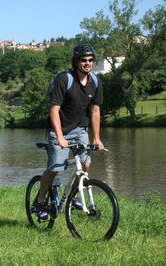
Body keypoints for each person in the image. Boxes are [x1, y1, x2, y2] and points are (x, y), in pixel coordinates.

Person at [35, 44, 105, 220]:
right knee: (55, 168)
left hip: (80, 128)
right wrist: (59, 137)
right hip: (60, 130)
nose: (87, 63)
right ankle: (40, 200)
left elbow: (95, 111)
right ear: (76, 62)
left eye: (90, 60)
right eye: (83, 60)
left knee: (85, 165)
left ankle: (73, 196)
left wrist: (96, 137)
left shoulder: (95, 82)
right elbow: (54, 110)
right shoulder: (65, 80)